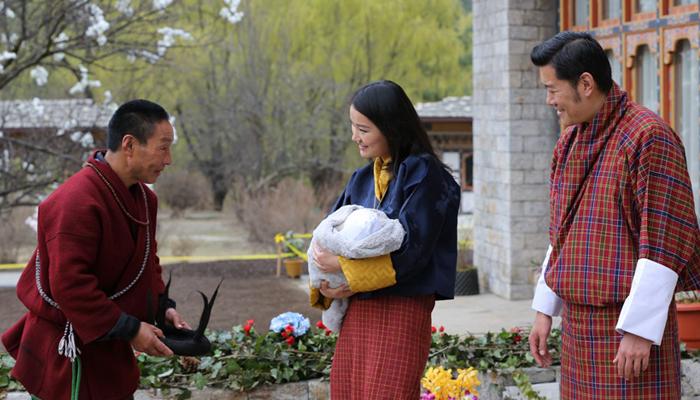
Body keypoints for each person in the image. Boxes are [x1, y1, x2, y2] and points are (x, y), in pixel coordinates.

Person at [528, 32, 700, 399]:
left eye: (553, 89)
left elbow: (666, 238)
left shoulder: (648, 136)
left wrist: (638, 330)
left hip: (628, 331)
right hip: (578, 328)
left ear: (586, 84)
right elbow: (561, 232)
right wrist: (545, 308)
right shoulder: (570, 140)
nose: (549, 101)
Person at [2, 99, 190, 400]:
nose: (168, 159)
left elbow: (146, 262)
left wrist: (162, 306)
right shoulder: (75, 200)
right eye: (163, 147)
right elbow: (70, 286)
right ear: (129, 144)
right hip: (71, 355)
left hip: (109, 351)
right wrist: (130, 329)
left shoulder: (145, 199)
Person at [312, 80, 461, 399]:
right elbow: (329, 231)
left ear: (391, 128)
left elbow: (413, 254)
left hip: (401, 309)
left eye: (363, 129)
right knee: (349, 392)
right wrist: (325, 285)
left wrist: (343, 267)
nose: (355, 137)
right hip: (358, 311)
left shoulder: (427, 176)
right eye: (353, 127)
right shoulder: (362, 178)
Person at [308, 205, 405, 333]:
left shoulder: (421, 185)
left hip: (402, 300)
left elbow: (416, 248)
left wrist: (341, 264)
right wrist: (326, 290)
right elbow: (329, 227)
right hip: (354, 306)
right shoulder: (359, 184)